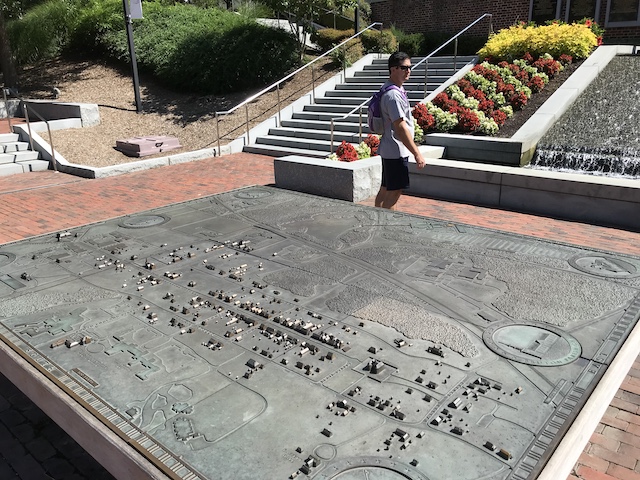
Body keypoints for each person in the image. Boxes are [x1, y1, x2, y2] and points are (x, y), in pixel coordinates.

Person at [374, 51, 426, 210]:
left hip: (390, 149)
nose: (408, 71)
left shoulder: (389, 88)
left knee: (386, 188)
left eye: (410, 67)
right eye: (404, 68)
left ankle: (376, 218)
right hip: (396, 150)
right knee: (395, 191)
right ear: (393, 69)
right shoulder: (393, 95)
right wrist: (417, 153)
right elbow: (401, 127)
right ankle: (386, 223)